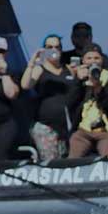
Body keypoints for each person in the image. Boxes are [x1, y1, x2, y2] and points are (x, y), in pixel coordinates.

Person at [67, 45, 108, 160]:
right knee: (73, 157)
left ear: (102, 60)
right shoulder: (80, 78)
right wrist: (78, 82)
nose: (93, 61)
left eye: (96, 58)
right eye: (89, 58)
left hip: (107, 129)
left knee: (107, 157)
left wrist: (99, 88)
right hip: (84, 130)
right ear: (83, 61)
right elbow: (70, 104)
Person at [20, 33, 75, 161]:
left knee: (67, 160)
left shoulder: (68, 69)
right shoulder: (39, 69)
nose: (54, 50)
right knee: (51, 162)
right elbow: (25, 85)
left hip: (67, 126)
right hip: (46, 126)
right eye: (49, 47)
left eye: (57, 47)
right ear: (44, 50)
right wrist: (32, 64)